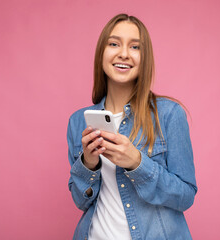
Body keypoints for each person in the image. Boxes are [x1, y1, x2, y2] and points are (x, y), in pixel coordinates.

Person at [67, 13, 197, 240]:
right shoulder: (79, 121)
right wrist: (88, 164)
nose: (124, 54)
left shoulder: (168, 115)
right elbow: (81, 200)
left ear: (144, 58)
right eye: (114, 43)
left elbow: (185, 196)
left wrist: (137, 163)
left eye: (135, 47)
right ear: (101, 53)